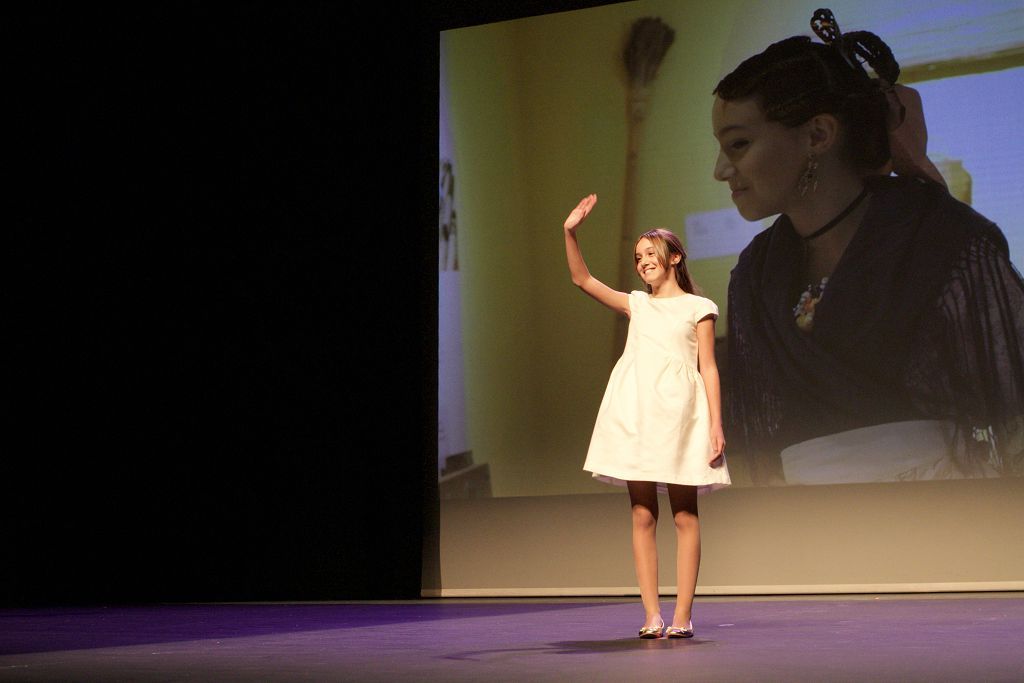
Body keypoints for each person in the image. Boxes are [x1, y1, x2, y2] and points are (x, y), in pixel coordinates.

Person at [713, 9, 1024, 485]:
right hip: (809, 537)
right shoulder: (754, 273)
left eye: (738, 144)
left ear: (818, 134)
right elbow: (756, 451)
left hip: (944, 523)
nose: (721, 169)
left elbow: (1014, 416)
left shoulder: (947, 240)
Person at [563, 193, 730, 639]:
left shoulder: (699, 307)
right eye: (637, 258)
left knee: (684, 515)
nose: (643, 262)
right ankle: (652, 614)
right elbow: (582, 280)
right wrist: (570, 232)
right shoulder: (636, 303)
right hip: (636, 412)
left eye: (650, 254)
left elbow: (708, 367)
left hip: (680, 416)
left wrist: (715, 423)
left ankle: (682, 616)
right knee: (641, 513)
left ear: (674, 257)